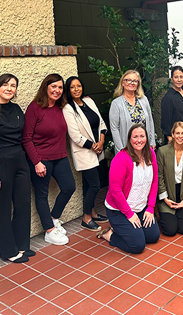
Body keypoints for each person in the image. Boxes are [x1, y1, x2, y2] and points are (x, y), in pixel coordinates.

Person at [23, 74, 75, 245]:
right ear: (46, 87)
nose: (57, 90)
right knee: (41, 195)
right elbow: (26, 139)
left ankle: (53, 218)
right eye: (54, 86)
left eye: (60, 88)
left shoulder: (61, 107)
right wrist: (37, 162)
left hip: (60, 157)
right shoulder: (34, 108)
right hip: (41, 159)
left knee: (69, 187)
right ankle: (49, 231)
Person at [99, 123, 160, 254]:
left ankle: (131, 230)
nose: (139, 140)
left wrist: (150, 208)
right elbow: (115, 191)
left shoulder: (151, 154)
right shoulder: (120, 159)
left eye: (142, 136)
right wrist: (129, 214)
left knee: (153, 236)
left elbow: (154, 181)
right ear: (129, 139)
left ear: (146, 138)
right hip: (119, 210)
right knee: (137, 245)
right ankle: (109, 234)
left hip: (141, 207)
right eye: (135, 137)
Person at [63, 76, 109, 232]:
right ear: (68, 90)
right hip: (84, 152)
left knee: (89, 184)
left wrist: (101, 142)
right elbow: (74, 135)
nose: (77, 89)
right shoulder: (68, 108)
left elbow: (101, 123)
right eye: (72, 87)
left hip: (97, 149)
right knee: (95, 184)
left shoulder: (89, 101)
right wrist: (93, 146)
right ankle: (86, 218)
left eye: (79, 86)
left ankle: (93, 212)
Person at [0, 74, 34, 263]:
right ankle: (7, 250)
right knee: (3, 208)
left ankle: (21, 245)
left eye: (13, 85)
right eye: (5, 84)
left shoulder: (16, 109)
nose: (9, 88)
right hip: (1, 162)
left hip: (20, 160)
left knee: (22, 203)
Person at [157, 122, 183, 236]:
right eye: (177, 133)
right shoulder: (162, 151)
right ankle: (169, 213)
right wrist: (165, 199)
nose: (180, 136)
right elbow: (159, 176)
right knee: (170, 230)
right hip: (168, 193)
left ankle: (181, 211)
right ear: (172, 134)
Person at [109, 70, 155, 153]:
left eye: (135, 81)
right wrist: (121, 150)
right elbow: (114, 128)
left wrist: (152, 142)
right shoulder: (116, 103)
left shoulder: (143, 99)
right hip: (127, 148)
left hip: (144, 146)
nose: (132, 83)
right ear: (122, 83)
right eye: (128, 80)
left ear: (138, 84)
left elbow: (150, 121)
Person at [161, 66, 183, 145]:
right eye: (176, 77)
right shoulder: (168, 98)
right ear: (172, 79)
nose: (179, 80)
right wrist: (170, 139)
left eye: (181, 77)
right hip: (175, 138)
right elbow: (166, 121)